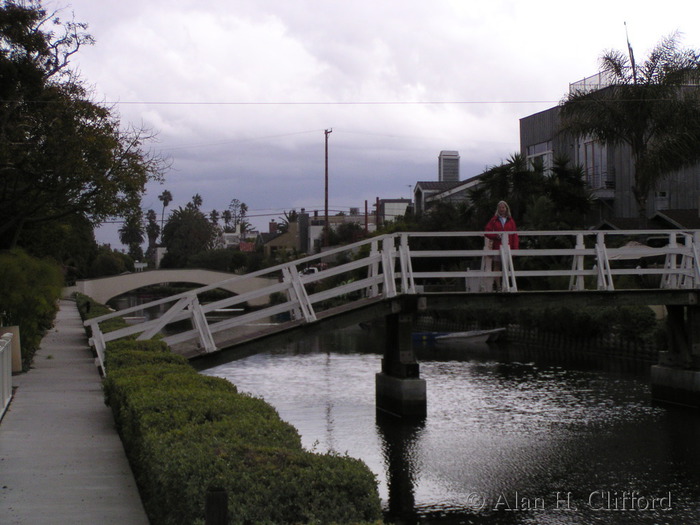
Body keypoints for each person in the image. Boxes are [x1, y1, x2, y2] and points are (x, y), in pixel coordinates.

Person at [482, 201, 519, 291]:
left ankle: (507, 285)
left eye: (503, 207)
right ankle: (498, 286)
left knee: (507, 266)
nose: (501, 209)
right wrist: (495, 236)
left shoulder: (511, 220)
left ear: (506, 209)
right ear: (497, 209)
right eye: (500, 208)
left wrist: (515, 248)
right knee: (497, 266)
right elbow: (487, 232)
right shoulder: (494, 220)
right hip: (498, 246)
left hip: (509, 247)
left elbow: (514, 235)